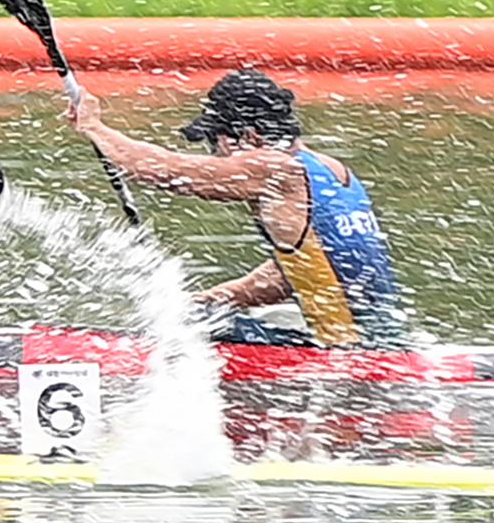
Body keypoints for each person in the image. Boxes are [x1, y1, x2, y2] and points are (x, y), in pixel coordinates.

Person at [68, 67, 411, 348]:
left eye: (213, 141)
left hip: (351, 355)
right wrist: (212, 298)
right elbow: (302, 273)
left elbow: (170, 172)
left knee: (190, 330)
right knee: (204, 314)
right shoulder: (332, 170)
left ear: (248, 136)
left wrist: (96, 128)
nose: (213, 154)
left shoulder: (275, 170)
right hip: (385, 344)